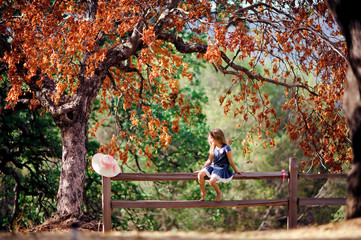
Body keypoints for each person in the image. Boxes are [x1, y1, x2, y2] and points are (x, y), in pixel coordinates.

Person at [197, 128, 242, 202]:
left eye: (211, 138)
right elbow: (209, 160)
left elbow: (231, 161)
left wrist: (236, 171)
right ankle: (203, 191)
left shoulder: (226, 148)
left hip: (222, 168)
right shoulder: (213, 147)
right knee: (200, 175)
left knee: (212, 181)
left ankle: (218, 193)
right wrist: (202, 169)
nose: (209, 139)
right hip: (213, 166)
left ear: (216, 138)